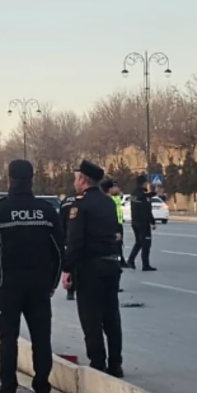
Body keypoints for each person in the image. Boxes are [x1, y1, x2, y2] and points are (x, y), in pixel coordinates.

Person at [0, 159, 62, 393]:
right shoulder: (45, 211)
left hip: (8, 286)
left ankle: (8, 391)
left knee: (8, 339)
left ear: (9, 179)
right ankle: (43, 390)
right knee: (41, 338)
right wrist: (52, 283)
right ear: (32, 178)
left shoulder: (0, 210)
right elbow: (59, 251)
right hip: (39, 287)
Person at [63, 160, 124, 377]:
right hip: (111, 264)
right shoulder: (109, 202)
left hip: (90, 267)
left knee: (91, 317)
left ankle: (98, 362)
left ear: (82, 180)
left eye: (75, 178)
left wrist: (67, 269)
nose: (75, 182)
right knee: (111, 315)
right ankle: (116, 363)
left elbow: (75, 241)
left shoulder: (80, 206)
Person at [126, 174, 156, 271]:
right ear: (143, 183)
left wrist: (153, 193)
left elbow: (144, 196)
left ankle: (130, 260)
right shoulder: (143, 196)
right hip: (143, 223)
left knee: (138, 242)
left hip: (134, 222)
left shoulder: (134, 193)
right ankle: (145, 265)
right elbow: (147, 210)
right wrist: (152, 222)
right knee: (146, 244)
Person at [59, 190, 77, 301]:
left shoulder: (66, 200)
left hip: (68, 237)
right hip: (82, 237)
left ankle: (70, 291)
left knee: (71, 264)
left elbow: (60, 220)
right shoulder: (84, 199)